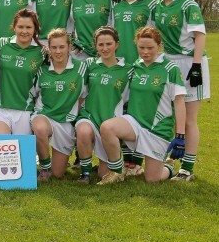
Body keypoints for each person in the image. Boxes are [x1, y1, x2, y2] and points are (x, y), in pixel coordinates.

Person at [99, 26, 186, 184]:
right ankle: (117, 171)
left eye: (150, 48)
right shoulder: (136, 66)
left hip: (157, 130)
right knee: (107, 127)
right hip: (135, 124)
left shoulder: (170, 69)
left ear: (159, 46)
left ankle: (169, 166)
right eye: (141, 48)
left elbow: (179, 103)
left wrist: (180, 136)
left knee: (152, 179)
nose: (145, 52)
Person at [152, 0, 209, 181]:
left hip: (190, 63)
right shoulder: (157, 5)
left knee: (189, 119)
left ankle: (187, 168)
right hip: (169, 63)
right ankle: (171, 160)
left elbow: (200, 36)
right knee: (173, 115)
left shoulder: (188, 4)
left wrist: (195, 67)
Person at [112, 0, 156, 174]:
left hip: (141, 65)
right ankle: (125, 157)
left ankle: (137, 161)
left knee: (138, 111)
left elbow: (155, 36)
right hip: (121, 66)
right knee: (122, 111)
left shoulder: (149, 4)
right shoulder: (117, 5)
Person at [75, 27, 133, 183]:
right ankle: (85, 173)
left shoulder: (128, 70)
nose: (105, 48)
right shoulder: (88, 64)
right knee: (83, 131)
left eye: (109, 44)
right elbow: (78, 91)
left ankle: (122, 165)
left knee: (104, 174)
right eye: (101, 44)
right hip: (89, 115)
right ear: (95, 46)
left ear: (117, 44)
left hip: (110, 123)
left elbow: (130, 100)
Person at [31, 29, 87, 181]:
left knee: (58, 174)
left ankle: (53, 169)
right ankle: (44, 168)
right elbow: (32, 93)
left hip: (65, 122)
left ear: (69, 47)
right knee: (40, 129)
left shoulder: (81, 68)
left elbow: (83, 97)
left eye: (62, 47)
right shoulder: (41, 70)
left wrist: (75, 117)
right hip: (44, 116)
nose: (58, 51)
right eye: (54, 47)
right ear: (48, 48)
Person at [0, 9, 47, 135]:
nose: (24, 31)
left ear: (35, 29)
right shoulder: (1, 44)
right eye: (20, 27)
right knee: (2, 146)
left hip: (24, 110)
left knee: (22, 151)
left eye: (28, 27)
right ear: (14, 27)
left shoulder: (42, 52)